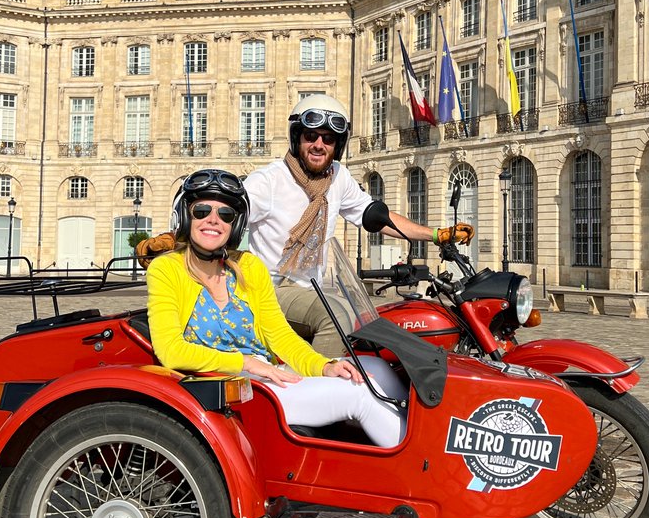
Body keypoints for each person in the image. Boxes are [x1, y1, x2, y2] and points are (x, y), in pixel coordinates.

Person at [139, 94, 474, 357]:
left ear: (337, 146)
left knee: (374, 324)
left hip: (313, 288)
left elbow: (376, 216)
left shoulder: (338, 179)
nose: (319, 145)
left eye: (328, 139)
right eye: (311, 136)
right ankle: (308, 390)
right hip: (268, 288)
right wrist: (173, 239)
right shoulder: (269, 181)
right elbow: (219, 215)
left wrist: (436, 234)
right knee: (339, 316)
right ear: (297, 139)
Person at [146, 169, 406, 447]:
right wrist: (246, 363)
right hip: (230, 388)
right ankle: (425, 474)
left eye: (226, 215)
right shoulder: (166, 269)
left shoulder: (247, 266)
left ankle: (432, 449)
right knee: (359, 396)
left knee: (376, 368)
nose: (213, 220)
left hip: (266, 374)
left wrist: (323, 365)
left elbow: (279, 334)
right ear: (185, 216)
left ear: (235, 224)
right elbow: (171, 351)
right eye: (202, 211)